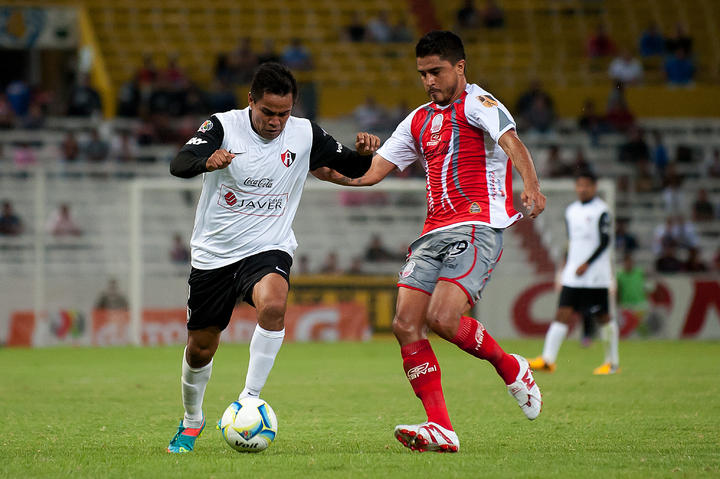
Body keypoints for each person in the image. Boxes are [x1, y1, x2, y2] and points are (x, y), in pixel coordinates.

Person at [316, 31, 545, 453]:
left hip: (476, 227)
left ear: (460, 67)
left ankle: (511, 366)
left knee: (442, 317)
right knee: (404, 324)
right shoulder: (418, 120)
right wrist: (319, 166)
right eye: (422, 73)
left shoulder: (480, 103)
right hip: (432, 233)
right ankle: (441, 427)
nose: (429, 81)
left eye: (436, 71)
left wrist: (530, 186)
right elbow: (368, 174)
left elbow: (512, 142)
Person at [165, 62, 380, 453]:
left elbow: (350, 164)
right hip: (215, 254)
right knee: (201, 348)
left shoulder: (304, 133)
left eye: (283, 113)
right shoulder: (222, 126)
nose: (276, 122)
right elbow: (179, 163)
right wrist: (206, 161)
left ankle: (249, 398)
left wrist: (365, 154)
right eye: (268, 113)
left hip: (268, 246)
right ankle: (192, 420)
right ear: (251, 102)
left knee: (275, 305)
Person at [529, 170, 620, 376]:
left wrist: (587, 264)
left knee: (604, 317)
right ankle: (547, 359)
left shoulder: (602, 211)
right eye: (579, 185)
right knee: (562, 312)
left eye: (586, 185)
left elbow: (605, 242)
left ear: (594, 187)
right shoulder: (571, 211)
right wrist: (564, 269)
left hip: (596, 275)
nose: (582, 189)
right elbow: (571, 243)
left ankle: (612, 362)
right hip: (574, 273)